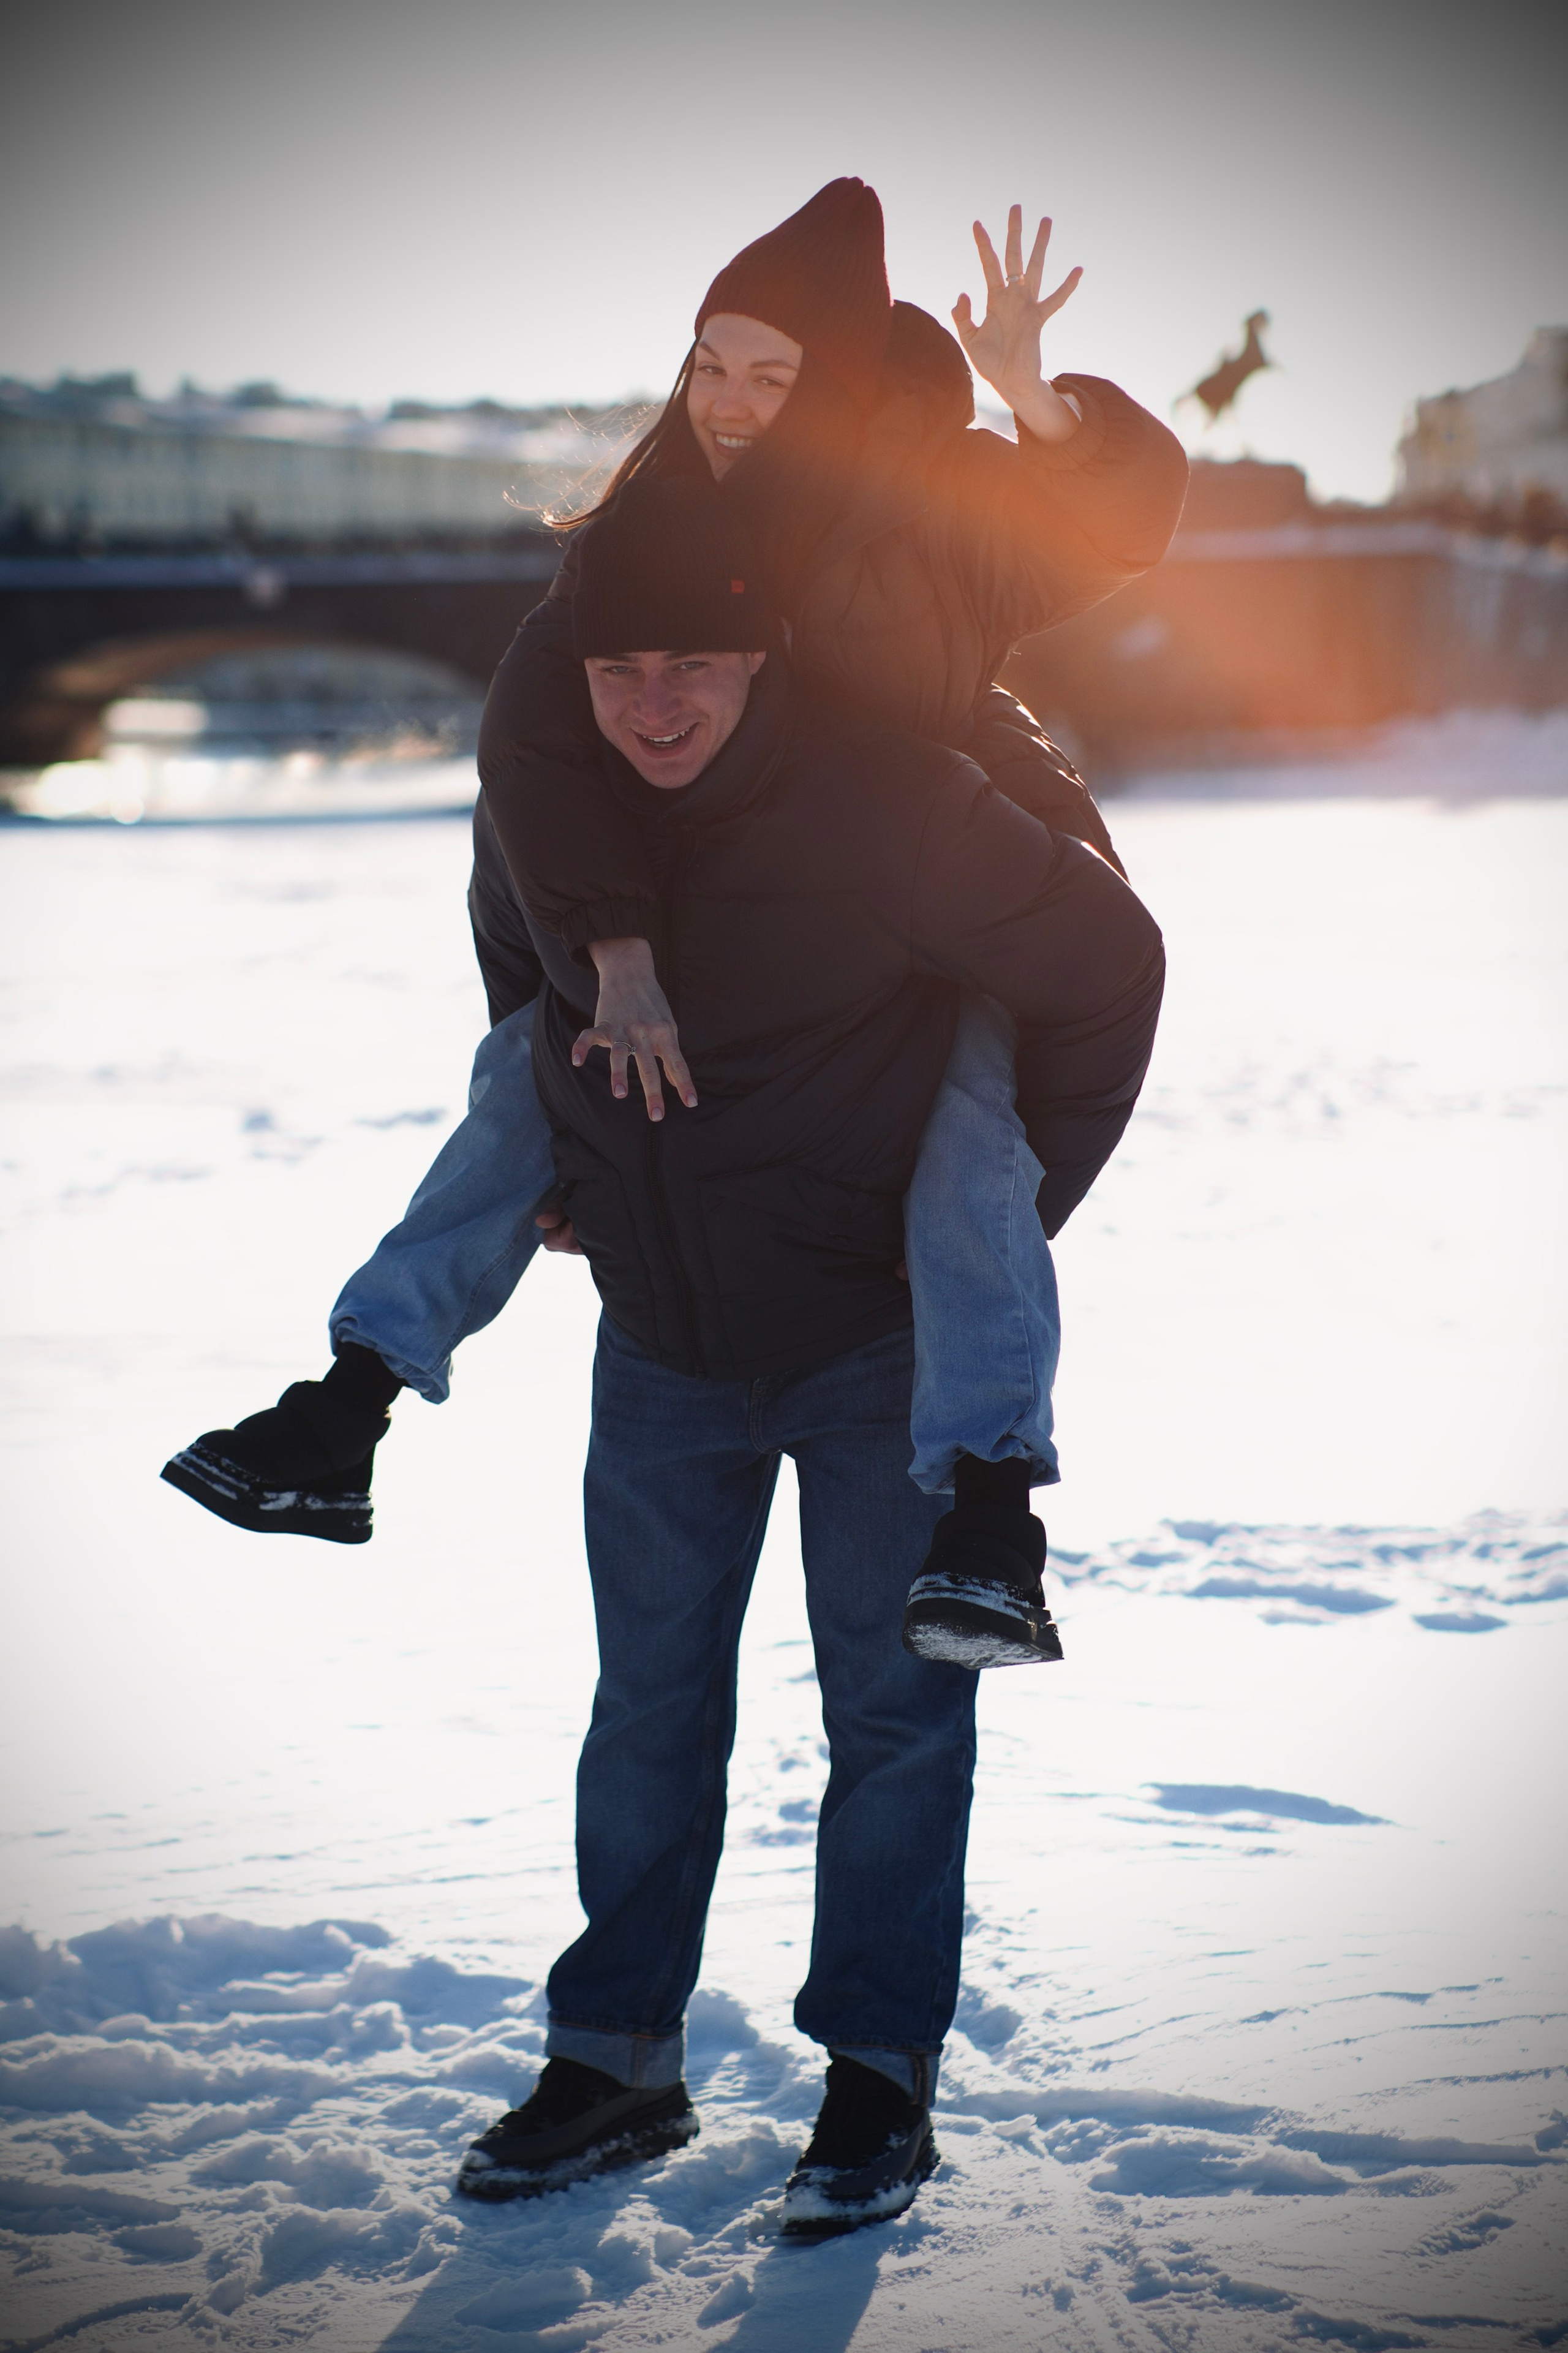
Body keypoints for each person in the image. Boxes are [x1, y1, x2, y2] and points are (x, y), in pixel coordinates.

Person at [162, 179, 1185, 1663]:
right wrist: (599, 958)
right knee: (538, 1064)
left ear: (829, 387)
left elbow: (1099, 532)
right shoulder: (648, 525)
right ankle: (343, 1409)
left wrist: (1042, 408)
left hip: (925, 889)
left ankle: (989, 1510)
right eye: (711, 361)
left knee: (968, 1118)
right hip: (701, 891)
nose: (728, 401)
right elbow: (531, 753)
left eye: (773, 375)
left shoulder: (925, 499)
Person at [452, 474, 1163, 2229]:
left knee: (898, 1725)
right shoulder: (548, 806)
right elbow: (511, 968)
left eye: (697, 658)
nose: (657, 702)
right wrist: (583, 1160)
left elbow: (1107, 964)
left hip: (868, 1347)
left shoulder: (898, 808)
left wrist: (991, 1212)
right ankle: (615, 2058)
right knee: (646, 1719)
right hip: (666, 1345)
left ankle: (877, 2086)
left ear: (766, 655)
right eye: (621, 666)